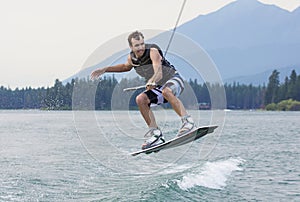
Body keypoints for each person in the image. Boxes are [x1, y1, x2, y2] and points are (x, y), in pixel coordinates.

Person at [91, 31, 195, 149]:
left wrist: (152, 80)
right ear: (131, 47)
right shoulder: (132, 58)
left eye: (142, 44)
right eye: (137, 45)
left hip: (174, 80)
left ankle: (188, 122)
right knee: (141, 99)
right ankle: (156, 134)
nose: (140, 47)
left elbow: (158, 72)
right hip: (158, 88)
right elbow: (125, 67)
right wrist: (105, 69)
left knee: (166, 91)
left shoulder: (153, 51)